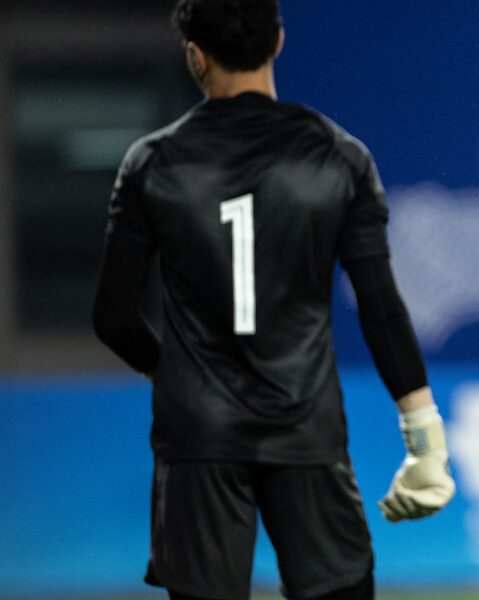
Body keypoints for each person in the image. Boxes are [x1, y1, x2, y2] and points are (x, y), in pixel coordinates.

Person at [91, 1, 454, 598]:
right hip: (304, 426)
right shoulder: (340, 156)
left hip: (197, 439)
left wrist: (175, 372)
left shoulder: (150, 163)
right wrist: (424, 440)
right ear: (278, 41)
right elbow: (380, 308)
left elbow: (111, 317)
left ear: (194, 56)